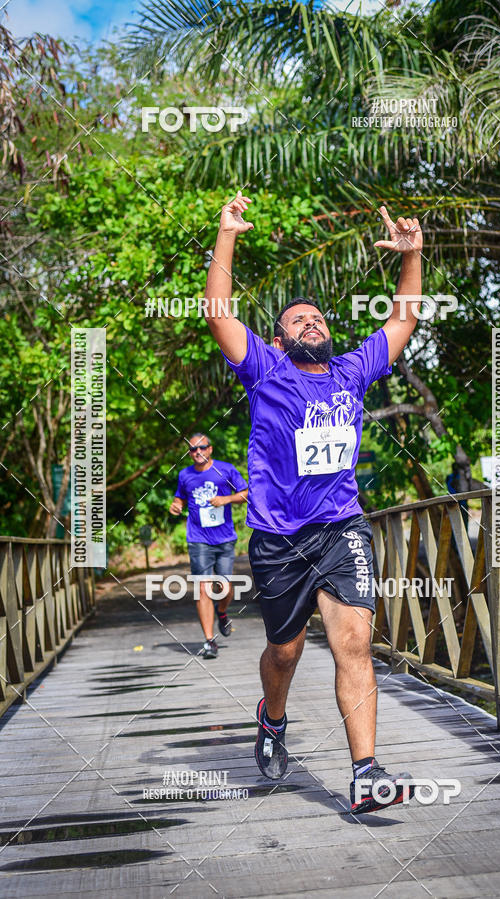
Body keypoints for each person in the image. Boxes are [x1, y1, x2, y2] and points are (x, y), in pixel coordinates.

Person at [204, 191, 423, 813]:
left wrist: (412, 258)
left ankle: (366, 774)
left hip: (341, 528)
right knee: (285, 650)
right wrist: (227, 235)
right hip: (278, 539)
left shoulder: (352, 372)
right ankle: (272, 720)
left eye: (318, 319)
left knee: (353, 643)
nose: (312, 324)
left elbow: (402, 320)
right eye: (298, 320)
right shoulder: (266, 369)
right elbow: (217, 310)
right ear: (278, 337)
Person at [169, 433, 248, 658]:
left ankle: (222, 612)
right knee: (203, 588)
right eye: (193, 449)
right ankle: (209, 641)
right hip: (198, 539)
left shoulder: (226, 469)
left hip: (224, 538)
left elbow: (245, 493)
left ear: (210, 449)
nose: (198, 452)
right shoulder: (185, 475)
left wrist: (226, 499)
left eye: (202, 447)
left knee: (224, 587)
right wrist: (175, 506)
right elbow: (180, 499)